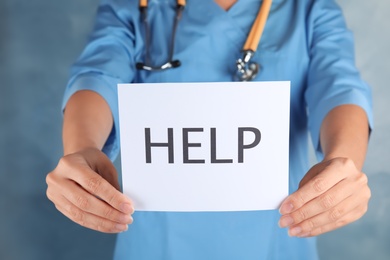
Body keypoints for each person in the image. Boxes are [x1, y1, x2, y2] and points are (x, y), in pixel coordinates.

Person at [46, 0, 373, 259]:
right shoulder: (136, 7)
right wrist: (82, 147)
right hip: (157, 239)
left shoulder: (310, 9)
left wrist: (343, 160)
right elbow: (97, 78)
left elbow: (339, 89)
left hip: (275, 235)